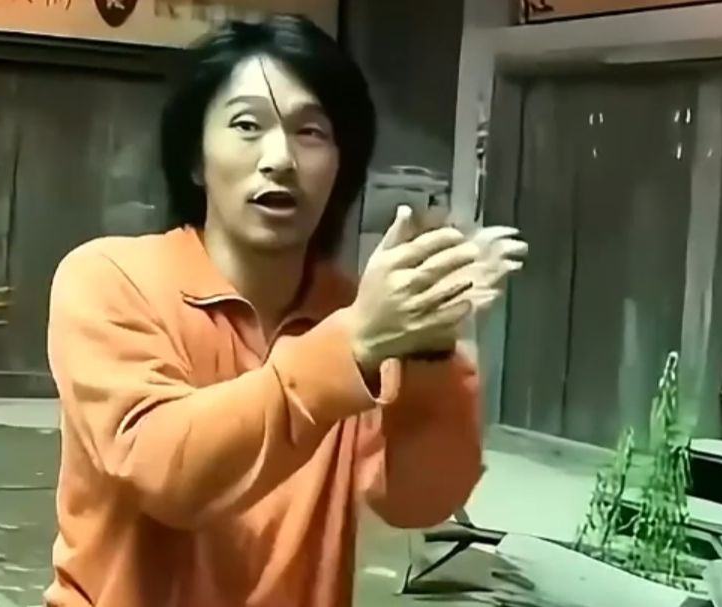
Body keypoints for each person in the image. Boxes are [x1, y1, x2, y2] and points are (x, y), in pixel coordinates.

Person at [44, 15, 526, 607]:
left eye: (311, 132)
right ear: (195, 159)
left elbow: (417, 502)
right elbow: (166, 472)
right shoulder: (109, 279)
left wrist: (430, 348)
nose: (280, 158)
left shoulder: (358, 314)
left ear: (341, 169)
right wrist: (353, 346)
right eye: (247, 125)